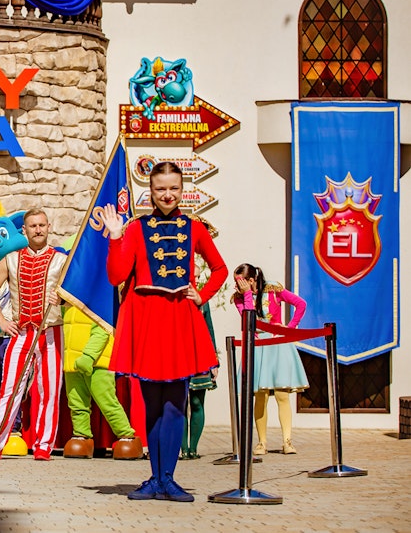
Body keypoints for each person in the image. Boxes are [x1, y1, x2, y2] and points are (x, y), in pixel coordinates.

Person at [102, 161, 226, 502]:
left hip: (179, 319)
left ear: (182, 189)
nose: (167, 194)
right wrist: (115, 237)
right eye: (160, 189)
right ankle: (156, 479)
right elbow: (116, 276)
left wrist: (203, 294)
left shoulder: (196, 228)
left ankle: (168, 478)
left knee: (175, 404)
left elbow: (219, 268)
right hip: (145, 319)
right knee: (151, 404)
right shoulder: (135, 228)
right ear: (150, 191)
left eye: (173, 188)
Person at [0, 208, 66, 461]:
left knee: (50, 390)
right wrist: (1, 320)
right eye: (33, 226)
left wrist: (63, 299)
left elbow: (77, 293)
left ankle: (44, 445)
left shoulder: (61, 260)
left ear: (48, 226)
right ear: (25, 230)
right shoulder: (12, 258)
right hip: (21, 331)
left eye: (42, 225)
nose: (38, 230)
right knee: (9, 388)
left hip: (50, 330)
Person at [232, 262, 309, 455]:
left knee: (283, 395)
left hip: (277, 344)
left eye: (241, 281)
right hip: (258, 345)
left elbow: (301, 304)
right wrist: (247, 294)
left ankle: (287, 440)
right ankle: (262, 442)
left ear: (251, 279)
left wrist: (289, 329)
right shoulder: (240, 298)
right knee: (261, 395)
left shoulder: (273, 288)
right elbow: (248, 320)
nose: (237, 286)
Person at [181, 303, 218, 460]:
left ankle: (193, 448)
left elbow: (209, 329)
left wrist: (214, 360)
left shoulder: (203, 299)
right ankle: (183, 449)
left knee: (197, 402)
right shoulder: (172, 292)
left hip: (200, 354)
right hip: (179, 354)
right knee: (179, 405)